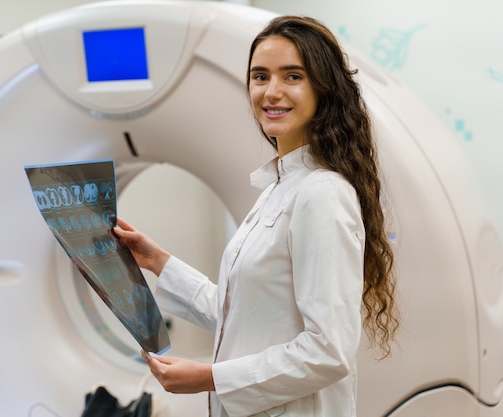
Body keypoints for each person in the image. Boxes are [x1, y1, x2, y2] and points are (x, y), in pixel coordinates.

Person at [113, 15, 399, 417]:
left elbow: (329, 351)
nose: (272, 92)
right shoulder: (278, 189)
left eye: (293, 76)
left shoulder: (321, 193)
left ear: (324, 88)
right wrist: (157, 261)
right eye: (260, 76)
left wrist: (211, 377)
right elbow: (242, 313)